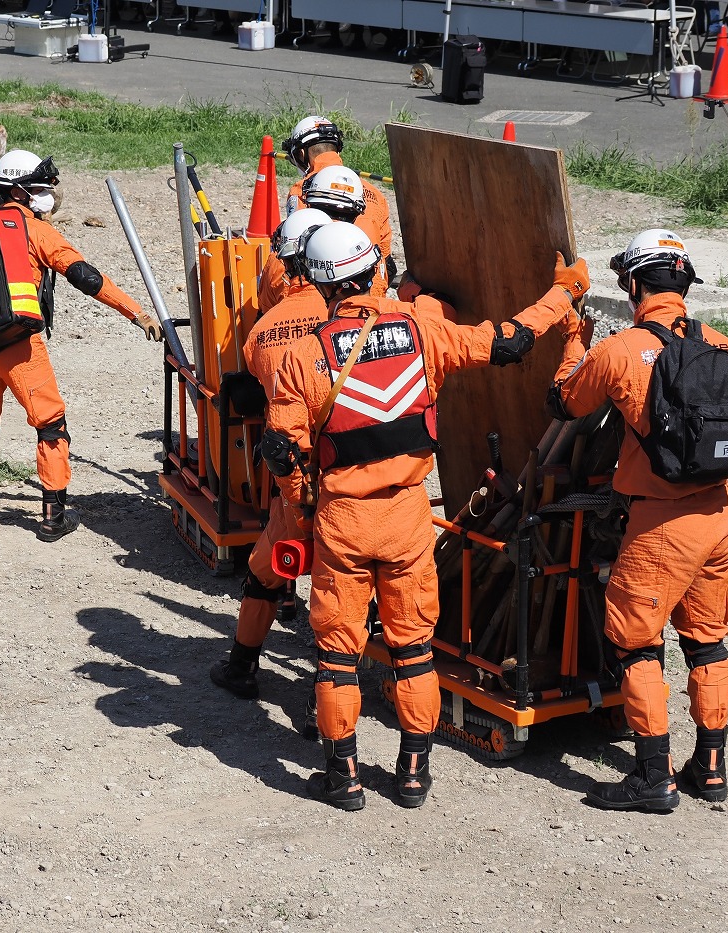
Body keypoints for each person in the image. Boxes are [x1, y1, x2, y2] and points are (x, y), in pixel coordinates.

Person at [263, 223, 587, 810]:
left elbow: (283, 451)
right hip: (409, 517)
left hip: (343, 520)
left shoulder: (301, 356)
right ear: (374, 272)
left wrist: (301, 503)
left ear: (318, 283)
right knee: (413, 648)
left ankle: (343, 777)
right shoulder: (421, 331)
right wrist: (563, 293)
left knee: (337, 653)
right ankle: (413, 772)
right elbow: (509, 341)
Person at [548, 231, 728, 811]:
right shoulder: (723, 346)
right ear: (684, 284)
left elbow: (566, 401)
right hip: (720, 515)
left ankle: (652, 774)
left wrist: (571, 341)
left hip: (661, 526)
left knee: (635, 641)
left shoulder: (622, 350)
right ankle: (710, 767)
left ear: (634, 285)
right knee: (707, 641)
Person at [0, 150, 162, 542]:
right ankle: (52, 516)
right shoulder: (35, 230)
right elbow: (86, 277)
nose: (48, 195)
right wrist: (137, 313)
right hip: (20, 346)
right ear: (22, 191)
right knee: (50, 425)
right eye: (41, 188)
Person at [210, 209, 332, 702]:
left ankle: (242, 668)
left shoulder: (262, 335)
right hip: (370, 482)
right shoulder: (368, 320)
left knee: (264, 571)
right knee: (344, 595)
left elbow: (275, 415)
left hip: (300, 484)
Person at [281, 115, 393, 285]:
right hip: (373, 289)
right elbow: (387, 260)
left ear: (301, 154)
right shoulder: (375, 193)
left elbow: (296, 250)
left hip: (329, 289)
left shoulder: (302, 190)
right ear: (337, 150)